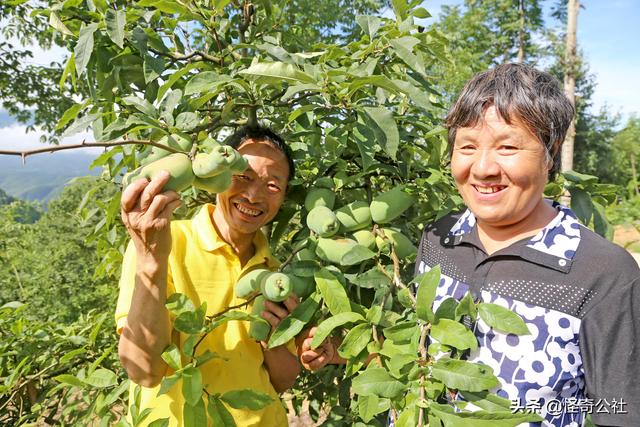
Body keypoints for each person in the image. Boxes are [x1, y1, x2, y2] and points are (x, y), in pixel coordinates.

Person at [298, 64, 640, 427]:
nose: (483, 168)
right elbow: (423, 353)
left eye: (507, 146)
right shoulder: (438, 238)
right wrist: (349, 351)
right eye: (468, 146)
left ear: (550, 152)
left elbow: (619, 411)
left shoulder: (603, 273)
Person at [116, 126, 300, 426]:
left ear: (283, 196)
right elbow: (142, 371)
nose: (253, 196)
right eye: (244, 177)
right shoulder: (160, 242)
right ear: (218, 178)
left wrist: (273, 338)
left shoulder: (273, 270)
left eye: (272, 185)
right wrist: (152, 259)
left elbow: (283, 381)